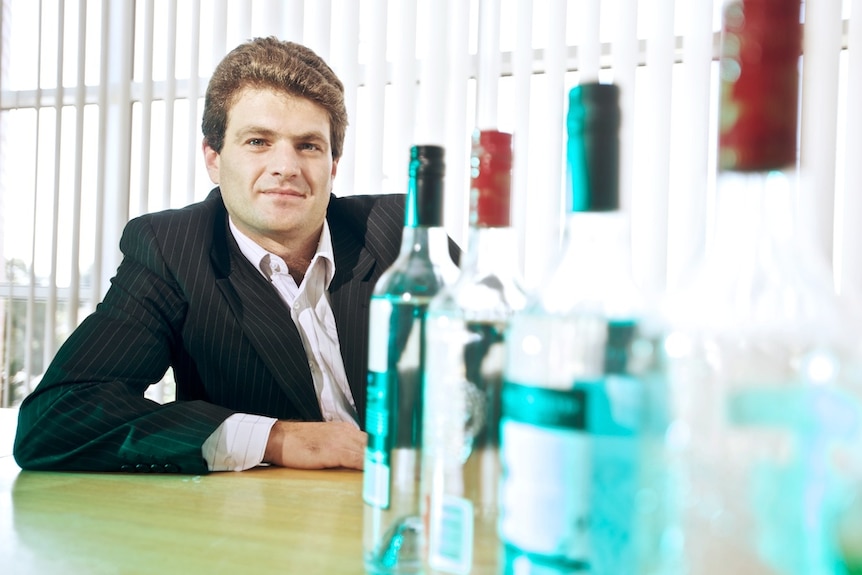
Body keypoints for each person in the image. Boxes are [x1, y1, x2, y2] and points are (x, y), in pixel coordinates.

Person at [13, 37, 457, 475]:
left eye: (309, 145)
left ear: (332, 166)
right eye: (258, 142)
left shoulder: (405, 234)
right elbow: (56, 418)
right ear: (213, 157)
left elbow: (496, 371)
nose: (286, 166)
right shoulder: (172, 250)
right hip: (268, 522)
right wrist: (278, 438)